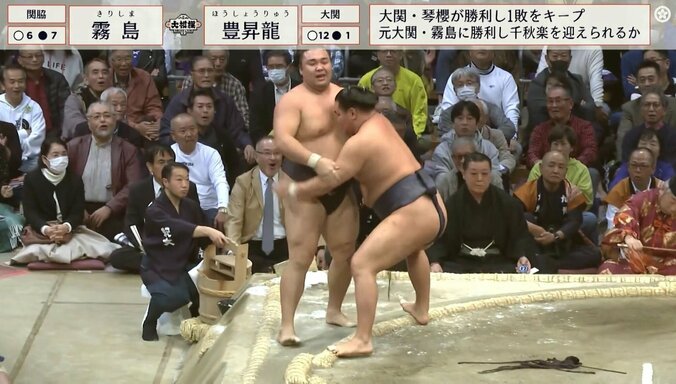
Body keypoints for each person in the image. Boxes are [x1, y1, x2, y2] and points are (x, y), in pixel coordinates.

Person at [276, 86, 447, 357]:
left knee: (362, 264)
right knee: (414, 249)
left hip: (412, 209)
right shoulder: (381, 123)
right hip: (431, 204)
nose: (337, 122)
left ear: (353, 113)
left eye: (339, 115)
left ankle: (362, 339)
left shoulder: (359, 143)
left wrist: (295, 190)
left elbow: (330, 180)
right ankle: (421, 309)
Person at [273, 49, 359, 345]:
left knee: (345, 250)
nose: (320, 67)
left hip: (340, 182)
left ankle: (334, 309)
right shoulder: (292, 100)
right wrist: (315, 161)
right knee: (300, 255)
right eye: (312, 63)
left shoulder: (345, 96)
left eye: (324, 61)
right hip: (303, 180)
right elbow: (283, 139)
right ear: (300, 68)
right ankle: (287, 325)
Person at [140, 162, 228, 341]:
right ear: (165, 182)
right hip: (158, 264)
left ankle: (195, 322)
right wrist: (207, 231)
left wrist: (212, 256)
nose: (184, 184)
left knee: (206, 289)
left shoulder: (191, 206)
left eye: (187, 180)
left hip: (185, 263)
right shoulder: (154, 210)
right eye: (178, 180)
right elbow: (179, 227)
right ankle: (149, 321)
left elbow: (205, 239)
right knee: (174, 297)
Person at [11, 137, 119, 265]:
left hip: (70, 229)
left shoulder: (75, 180)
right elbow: (30, 212)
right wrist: (46, 229)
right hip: (41, 230)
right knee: (34, 250)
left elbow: (77, 212)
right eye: (55, 155)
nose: (61, 158)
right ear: (45, 159)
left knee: (105, 248)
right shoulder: (32, 179)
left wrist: (66, 227)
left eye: (64, 154)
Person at [428, 152, 535, 273]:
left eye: (484, 174)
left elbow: (519, 236)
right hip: (462, 261)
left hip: (498, 260)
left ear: (490, 175)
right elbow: (441, 240)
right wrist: (435, 262)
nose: (479, 178)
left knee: (522, 270)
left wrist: (522, 256)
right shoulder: (452, 204)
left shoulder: (507, 203)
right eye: (474, 174)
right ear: (463, 174)